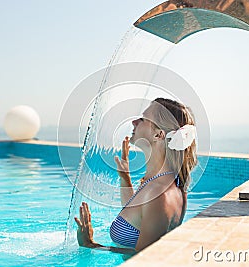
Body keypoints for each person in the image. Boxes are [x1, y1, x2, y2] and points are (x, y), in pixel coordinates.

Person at [74, 98, 198, 254]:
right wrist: (124, 177)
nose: (134, 122)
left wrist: (91, 245)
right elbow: (136, 215)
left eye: (143, 119)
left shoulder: (159, 194)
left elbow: (144, 257)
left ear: (158, 135)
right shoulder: (162, 181)